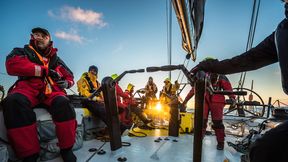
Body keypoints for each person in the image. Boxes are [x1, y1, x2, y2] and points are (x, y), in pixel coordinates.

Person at [192, 1, 288, 161]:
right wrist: (210, 66)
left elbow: (228, 88)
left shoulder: (222, 80)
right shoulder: (282, 32)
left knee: (219, 124)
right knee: (263, 150)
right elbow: (248, 60)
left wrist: (233, 99)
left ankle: (221, 143)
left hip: (217, 103)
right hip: (208, 102)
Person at [2, 27, 76, 162]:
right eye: (37, 35)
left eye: (44, 36)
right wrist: (44, 71)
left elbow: (70, 76)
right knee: (13, 102)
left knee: (64, 103)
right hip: (27, 88)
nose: (40, 37)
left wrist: (66, 83)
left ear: (50, 40)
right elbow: (12, 65)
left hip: (52, 90)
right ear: (32, 37)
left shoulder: (57, 59)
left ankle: (67, 149)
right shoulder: (21, 51)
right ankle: (29, 155)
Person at [183, 58, 236, 150]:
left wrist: (185, 101)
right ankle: (218, 143)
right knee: (211, 122)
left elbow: (193, 90)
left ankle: (208, 141)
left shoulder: (202, 75)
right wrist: (232, 98)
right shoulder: (219, 74)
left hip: (207, 100)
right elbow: (228, 87)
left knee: (207, 122)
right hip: (212, 101)